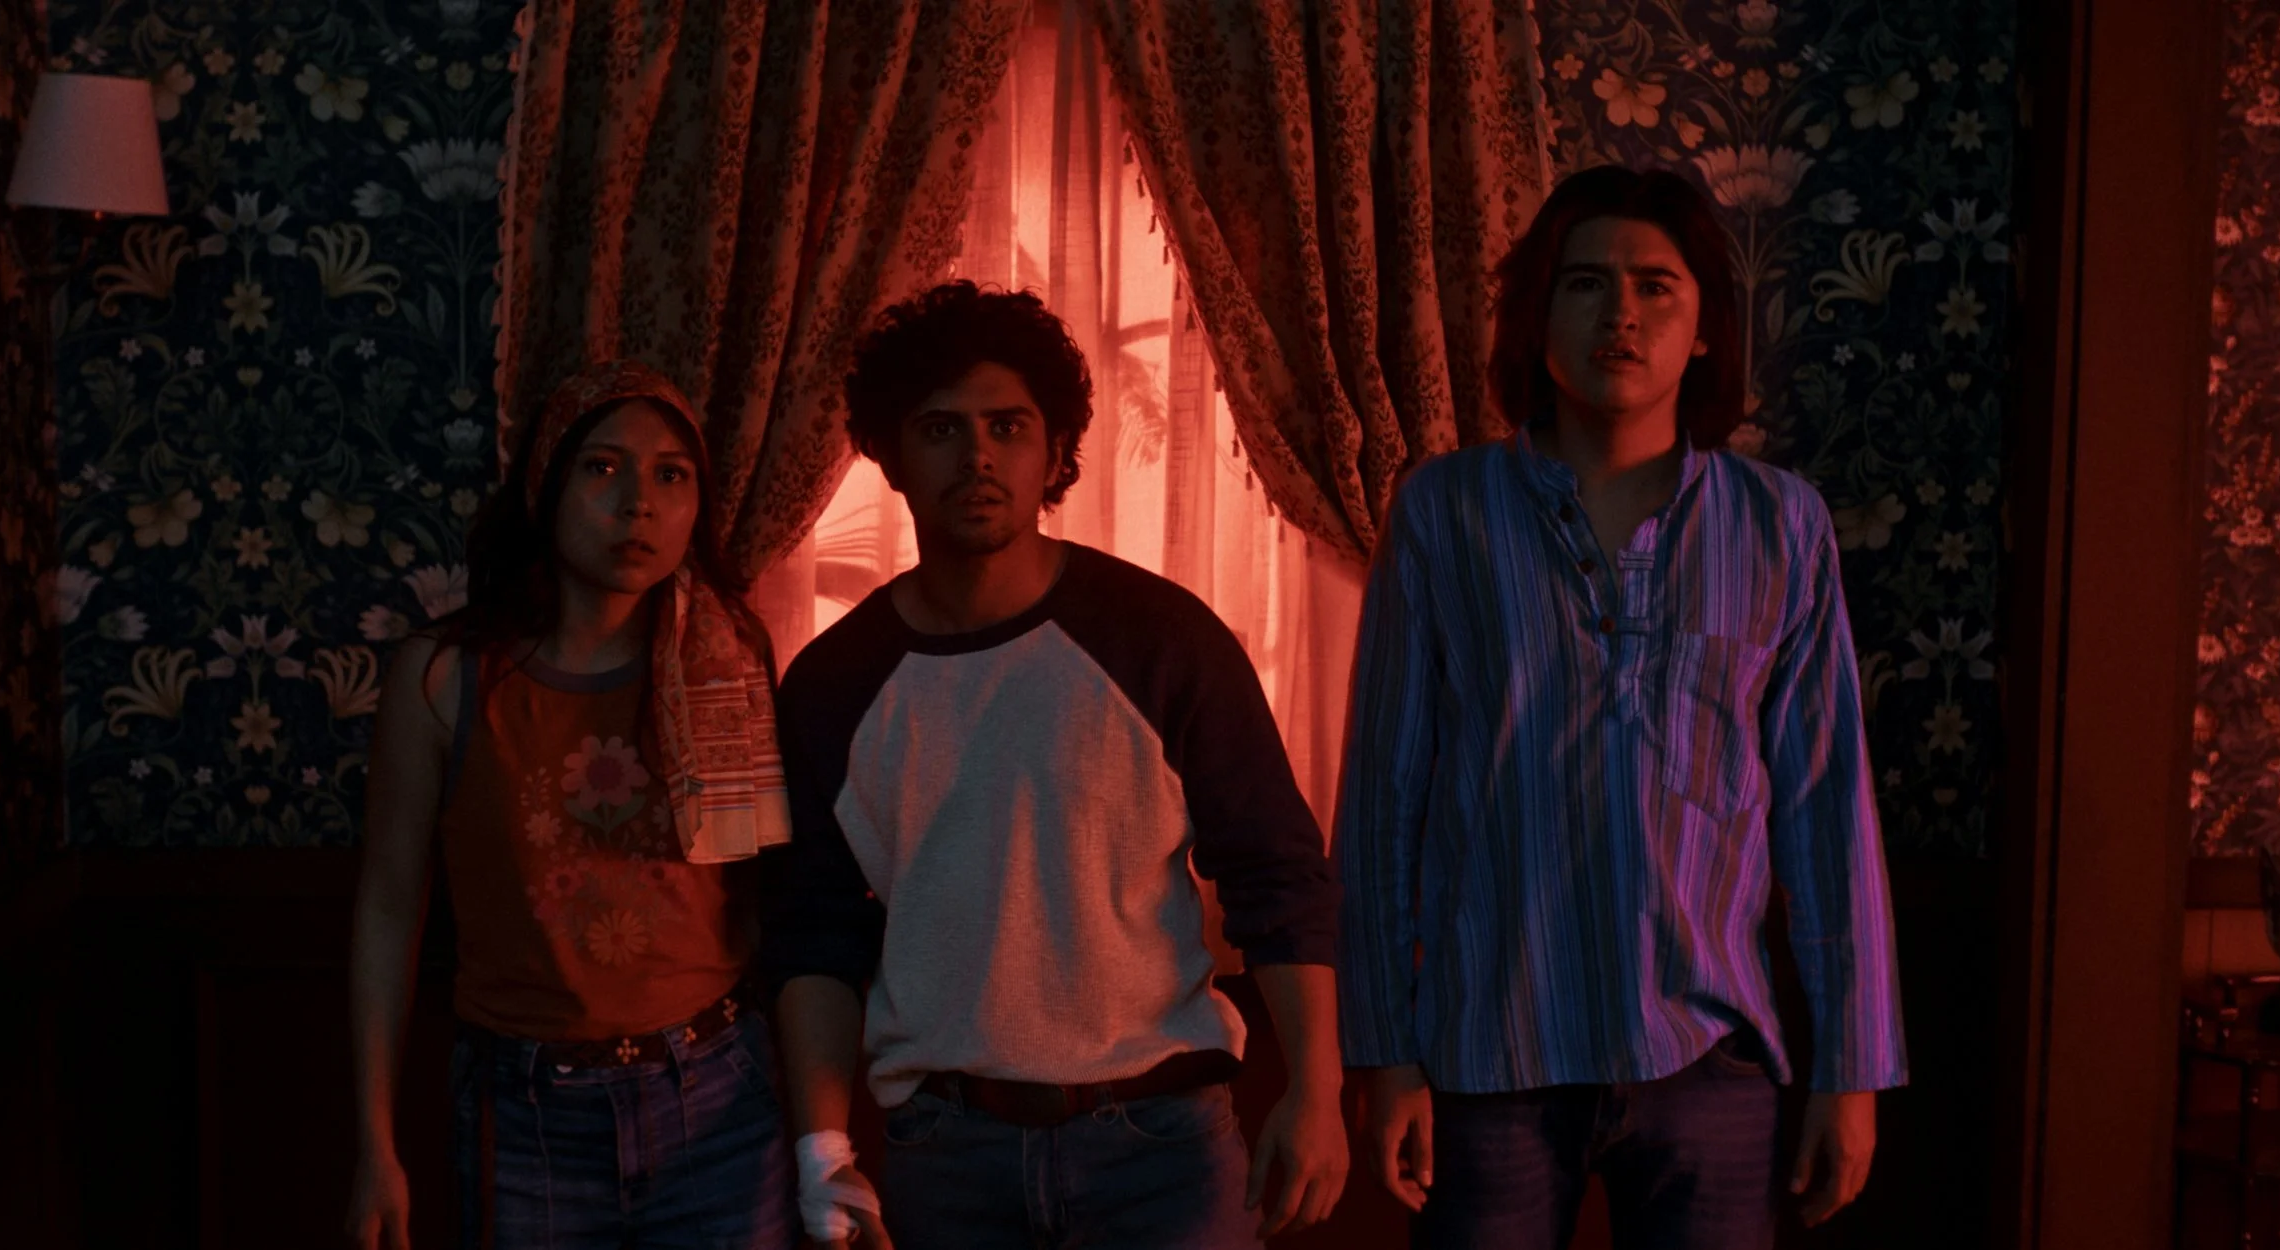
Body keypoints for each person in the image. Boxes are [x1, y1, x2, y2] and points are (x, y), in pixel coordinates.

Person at [1336, 165, 1908, 1250]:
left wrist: (1852, 1070)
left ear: (1704, 328)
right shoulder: (1444, 514)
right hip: (1488, 1051)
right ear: (1538, 314)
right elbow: (1379, 804)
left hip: (1709, 1056)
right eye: (1586, 282)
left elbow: (1826, 809)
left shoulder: (1778, 524)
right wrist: (1380, 1050)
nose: (1622, 314)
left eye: (1655, 285)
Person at [762, 282, 1351, 1249]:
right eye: (941, 429)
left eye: (1007, 425)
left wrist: (1318, 1093)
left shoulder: (1161, 638)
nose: (978, 456)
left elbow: (1275, 870)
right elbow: (813, 933)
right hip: (946, 1154)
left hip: (1161, 1147)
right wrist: (823, 1156)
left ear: (1053, 449)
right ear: (891, 455)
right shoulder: (835, 684)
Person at [347, 360, 797, 1249]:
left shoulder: (728, 659)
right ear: (545, 488)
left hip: (714, 1093)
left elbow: (766, 897)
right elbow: (389, 907)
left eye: (671, 475)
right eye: (602, 467)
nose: (638, 503)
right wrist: (373, 1144)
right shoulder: (446, 679)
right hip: (526, 1110)